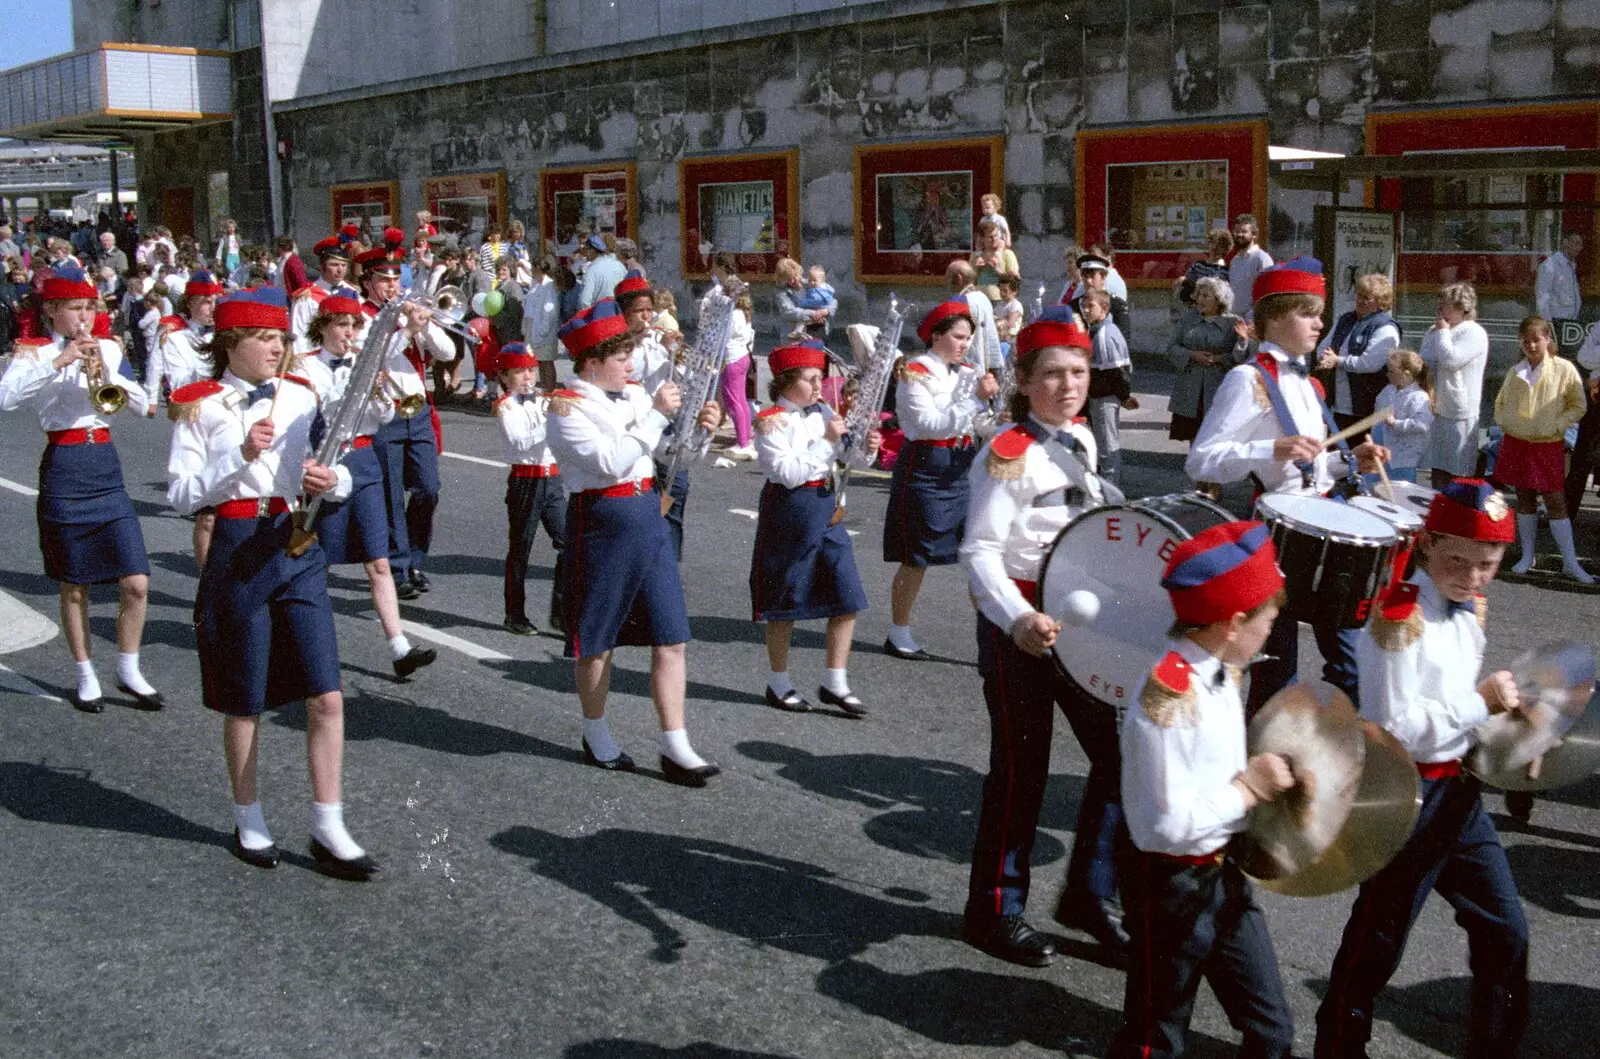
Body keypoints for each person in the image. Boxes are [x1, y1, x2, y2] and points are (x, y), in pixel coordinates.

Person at [166, 287, 377, 881]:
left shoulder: (302, 398)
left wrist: (329, 480)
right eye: (264, 338)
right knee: (246, 697)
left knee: (327, 692)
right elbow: (183, 494)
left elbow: (333, 473)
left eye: (282, 338)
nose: (277, 348)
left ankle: (328, 822)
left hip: (295, 540)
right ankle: (248, 812)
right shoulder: (196, 405)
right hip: (237, 548)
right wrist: (236, 453)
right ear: (231, 343)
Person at [1314, 479, 1529, 1059]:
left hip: (1458, 790)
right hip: (1403, 794)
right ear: (1427, 543)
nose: (1473, 575)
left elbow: (1459, 707)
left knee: (1505, 927)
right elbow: (1397, 729)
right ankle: (1336, 1046)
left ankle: (1493, 1044)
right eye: (1457, 558)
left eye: (1487, 563)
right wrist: (1479, 703)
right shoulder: (1399, 616)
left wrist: (1509, 734)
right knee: (1377, 941)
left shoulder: (1471, 607)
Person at [959, 315, 1131, 966]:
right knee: (1020, 769)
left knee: (1119, 758)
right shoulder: (1008, 452)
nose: (1068, 385)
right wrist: (1015, 618)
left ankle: (1090, 892)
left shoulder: (1081, 443)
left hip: (1079, 622)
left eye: (1079, 372)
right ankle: (993, 910)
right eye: (1053, 373)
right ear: (1024, 381)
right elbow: (978, 550)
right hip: (1022, 626)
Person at [1109, 520, 1297, 1059]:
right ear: (1235, 623)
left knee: (1272, 1030)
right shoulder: (1168, 696)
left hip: (1222, 873)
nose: (1274, 627)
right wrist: (1247, 790)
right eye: (1269, 618)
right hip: (1168, 882)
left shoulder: (1224, 669)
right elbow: (1162, 827)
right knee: (1156, 1037)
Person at [1185, 259, 1389, 712]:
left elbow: (1311, 467)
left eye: (1319, 312)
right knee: (1276, 668)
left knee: (1351, 665)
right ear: (1274, 317)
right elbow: (1201, 460)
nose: (1320, 322)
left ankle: (1334, 754)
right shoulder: (1248, 381)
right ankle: (1265, 764)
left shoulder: (1310, 384)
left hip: (1324, 526)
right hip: (1277, 538)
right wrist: (1268, 451)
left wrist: (1348, 460)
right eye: (1307, 312)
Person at [544, 299, 722, 785]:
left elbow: (672, 457)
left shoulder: (636, 397)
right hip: (601, 519)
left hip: (647, 514)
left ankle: (675, 742)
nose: (630, 364)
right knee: (597, 640)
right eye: (621, 356)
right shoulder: (565, 406)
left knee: (671, 634)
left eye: (630, 355)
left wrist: (698, 432)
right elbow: (609, 461)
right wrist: (656, 417)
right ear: (593, 361)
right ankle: (596, 732)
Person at [0, 266, 163, 714]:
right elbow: (5, 398)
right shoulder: (32, 352)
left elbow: (142, 404)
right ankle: (85, 673)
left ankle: (128, 668)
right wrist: (60, 361)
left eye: (89, 308)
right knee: (75, 585)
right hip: (65, 465)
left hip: (105, 463)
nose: (84, 317)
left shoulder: (108, 348)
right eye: (74, 308)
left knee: (136, 581)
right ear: (51, 310)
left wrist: (122, 386)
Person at [298, 295, 437, 678]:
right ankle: (307, 645)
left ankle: (399, 647)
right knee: (317, 562)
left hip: (364, 462)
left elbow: (383, 416)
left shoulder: (365, 360)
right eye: (342, 325)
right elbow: (312, 416)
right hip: (326, 460)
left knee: (378, 560)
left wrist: (378, 392)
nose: (349, 333)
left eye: (355, 325)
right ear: (323, 325)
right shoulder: (306, 367)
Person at [750, 343, 879, 716]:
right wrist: (825, 441)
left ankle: (834, 680)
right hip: (790, 509)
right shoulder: (771, 420)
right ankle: (779, 681)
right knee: (785, 600)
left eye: (821, 377)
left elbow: (848, 459)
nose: (820, 385)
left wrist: (864, 448)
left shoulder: (823, 410)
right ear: (788, 382)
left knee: (847, 593)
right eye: (811, 379)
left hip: (826, 505)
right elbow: (788, 474)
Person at [883, 300, 999, 661]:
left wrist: (1002, 423)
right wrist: (975, 401)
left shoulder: (965, 373)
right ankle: (898, 631)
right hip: (925, 467)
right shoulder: (915, 372)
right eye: (958, 336)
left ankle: (990, 636)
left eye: (968, 338)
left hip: (961, 467)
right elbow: (931, 424)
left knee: (977, 553)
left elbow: (976, 424)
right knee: (917, 556)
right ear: (936, 335)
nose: (965, 344)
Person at [355, 246, 457, 600]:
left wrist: (424, 325)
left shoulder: (408, 312)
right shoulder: (363, 316)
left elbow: (448, 353)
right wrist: (404, 329)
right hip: (385, 412)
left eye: (396, 279)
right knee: (391, 496)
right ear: (367, 282)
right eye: (384, 280)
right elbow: (372, 354)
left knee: (428, 488)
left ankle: (414, 558)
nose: (392, 286)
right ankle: (398, 569)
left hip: (418, 409)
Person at [1494, 315, 1591, 581]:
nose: (1532, 346)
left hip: (1548, 443)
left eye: (1536, 340)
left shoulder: (1564, 369)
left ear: (1547, 339)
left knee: (1555, 501)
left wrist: (1558, 426)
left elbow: (1578, 405)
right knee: (1524, 498)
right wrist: (1507, 424)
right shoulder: (1516, 372)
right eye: (1526, 342)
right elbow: (1501, 404)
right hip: (1518, 442)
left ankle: (1570, 563)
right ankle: (1527, 555)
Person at [495, 343, 567, 636]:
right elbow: (520, 442)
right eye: (519, 372)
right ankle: (514, 614)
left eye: (530, 370)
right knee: (521, 548)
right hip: (525, 480)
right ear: (504, 377)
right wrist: (551, 419)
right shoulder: (505, 406)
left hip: (552, 479)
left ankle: (561, 611)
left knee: (569, 543)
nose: (527, 377)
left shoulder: (542, 399)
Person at [1166, 275, 1247, 496]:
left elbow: (1241, 359)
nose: (1200, 299)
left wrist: (1234, 348)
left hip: (1218, 389)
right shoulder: (1189, 318)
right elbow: (1172, 348)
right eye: (1199, 294)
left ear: (1219, 299)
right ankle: (1199, 484)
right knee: (1194, 437)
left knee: (1215, 437)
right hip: (1191, 388)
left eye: (1206, 295)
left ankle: (1215, 485)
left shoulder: (1233, 322)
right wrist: (1191, 355)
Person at [1421, 282, 1489, 490]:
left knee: (1456, 471)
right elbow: (1424, 359)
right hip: (1435, 407)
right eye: (1439, 305)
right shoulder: (1435, 330)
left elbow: (1451, 360)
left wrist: (1442, 333)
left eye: (1447, 306)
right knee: (1436, 469)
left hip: (1458, 411)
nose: (1440, 310)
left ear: (1464, 308)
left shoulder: (1473, 332)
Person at [1316, 273, 1402, 434]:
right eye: (1359, 295)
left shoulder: (1385, 327)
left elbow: (1369, 363)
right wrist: (1324, 358)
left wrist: (1338, 361)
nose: (1360, 301)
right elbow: (1324, 347)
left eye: (1366, 298)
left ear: (1380, 302)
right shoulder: (1346, 319)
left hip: (1366, 406)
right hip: (1337, 404)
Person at [1082, 288, 1137, 485]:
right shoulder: (1095, 329)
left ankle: (1111, 494)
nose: (1086, 310)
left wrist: (1123, 396)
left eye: (1091, 306)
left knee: (1107, 447)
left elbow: (1117, 371)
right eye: (1084, 306)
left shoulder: (1105, 333)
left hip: (1105, 397)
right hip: (1097, 396)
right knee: (1102, 444)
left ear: (1104, 308)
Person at [150, 270, 223, 399]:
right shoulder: (173, 328)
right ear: (190, 303)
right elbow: (156, 361)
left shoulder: (223, 329)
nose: (213, 308)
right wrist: (152, 397)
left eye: (216, 302)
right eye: (206, 302)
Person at [289, 234, 360, 353]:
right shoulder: (307, 296)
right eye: (334, 265)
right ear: (321, 267)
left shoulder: (352, 292)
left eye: (343, 265)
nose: (340, 270)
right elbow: (299, 335)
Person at [1372, 349, 1434, 484]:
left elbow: (1422, 425)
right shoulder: (1388, 390)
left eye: (1391, 371)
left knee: (1398, 491)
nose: (1387, 374)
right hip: (1381, 452)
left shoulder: (1418, 396)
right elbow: (1378, 408)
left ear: (1406, 374)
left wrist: (1395, 423)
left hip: (1402, 458)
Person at [721, 282, 757, 461]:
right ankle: (746, 437)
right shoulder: (743, 313)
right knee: (741, 400)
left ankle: (742, 441)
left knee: (734, 402)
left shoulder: (733, 314)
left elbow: (723, 335)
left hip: (733, 359)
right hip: (742, 356)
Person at [1536, 229, 1583, 353]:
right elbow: (1543, 297)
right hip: (1557, 324)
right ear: (1565, 242)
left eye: (1580, 244)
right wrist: (1548, 327)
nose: (1579, 247)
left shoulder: (1571, 265)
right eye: (1576, 243)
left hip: (1571, 323)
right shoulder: (1550, 265)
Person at [521, 253, 561, 391]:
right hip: (532, 326)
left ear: (539, 268)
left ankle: (550, 391)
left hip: (545, 328)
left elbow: (550, 310)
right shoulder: (534, 283)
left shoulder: (549, 285)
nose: (531, 271)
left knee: (546, 361)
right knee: (537, 361)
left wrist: (543, 330)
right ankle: (544, 389)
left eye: (533, 268)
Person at [1072, 252, 1131, 344]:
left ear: (1103, 277)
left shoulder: (1116, 305)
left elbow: (1123, 341)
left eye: (1092, 276)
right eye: (1084, 276)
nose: (1088, 281)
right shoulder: (1074, 305)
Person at [1174, 229, 1233, 310]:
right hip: (1190, 309)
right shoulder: (1198, 265)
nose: (1215, 247)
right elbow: (1187, 281)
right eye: (1213, 243)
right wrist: (1183, 279)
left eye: (1220, 245)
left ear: (1226, 249)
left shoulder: (1225, 271)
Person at [1226, 214, 1273, 314]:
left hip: (1252, 320)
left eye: (1244, 232)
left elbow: (1267, 292)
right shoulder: (1235, 260)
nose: (1239, 235)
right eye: (1237, 231)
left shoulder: (1262, 258)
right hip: (1233, 318)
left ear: (1254, 235)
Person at [971, 219, 1018, 304]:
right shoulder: (976, 255)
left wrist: (998, 271)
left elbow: (1015, 279)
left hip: (1000, 298)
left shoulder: (1007, 254)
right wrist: (977, 265)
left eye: (996, 235)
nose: (994, 239)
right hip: (980, 298)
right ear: (982, 238)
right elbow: (971, 279)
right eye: (990, 237)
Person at [577, 233, 626, 309]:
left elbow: (584, 302)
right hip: (618, 316)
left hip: (599, 317)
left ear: (592, 250)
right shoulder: (620, 266)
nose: (584, 253)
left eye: (586, 249)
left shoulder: (591, 271)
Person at [993, 273, 1024, 350]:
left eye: (1005, 291)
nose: (1002, 293)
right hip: (999, 337)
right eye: (1000, 290)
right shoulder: (1000, 303)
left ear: (1015, 291)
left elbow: (1010, 324)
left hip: (1009, 341)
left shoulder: (1015, 305)